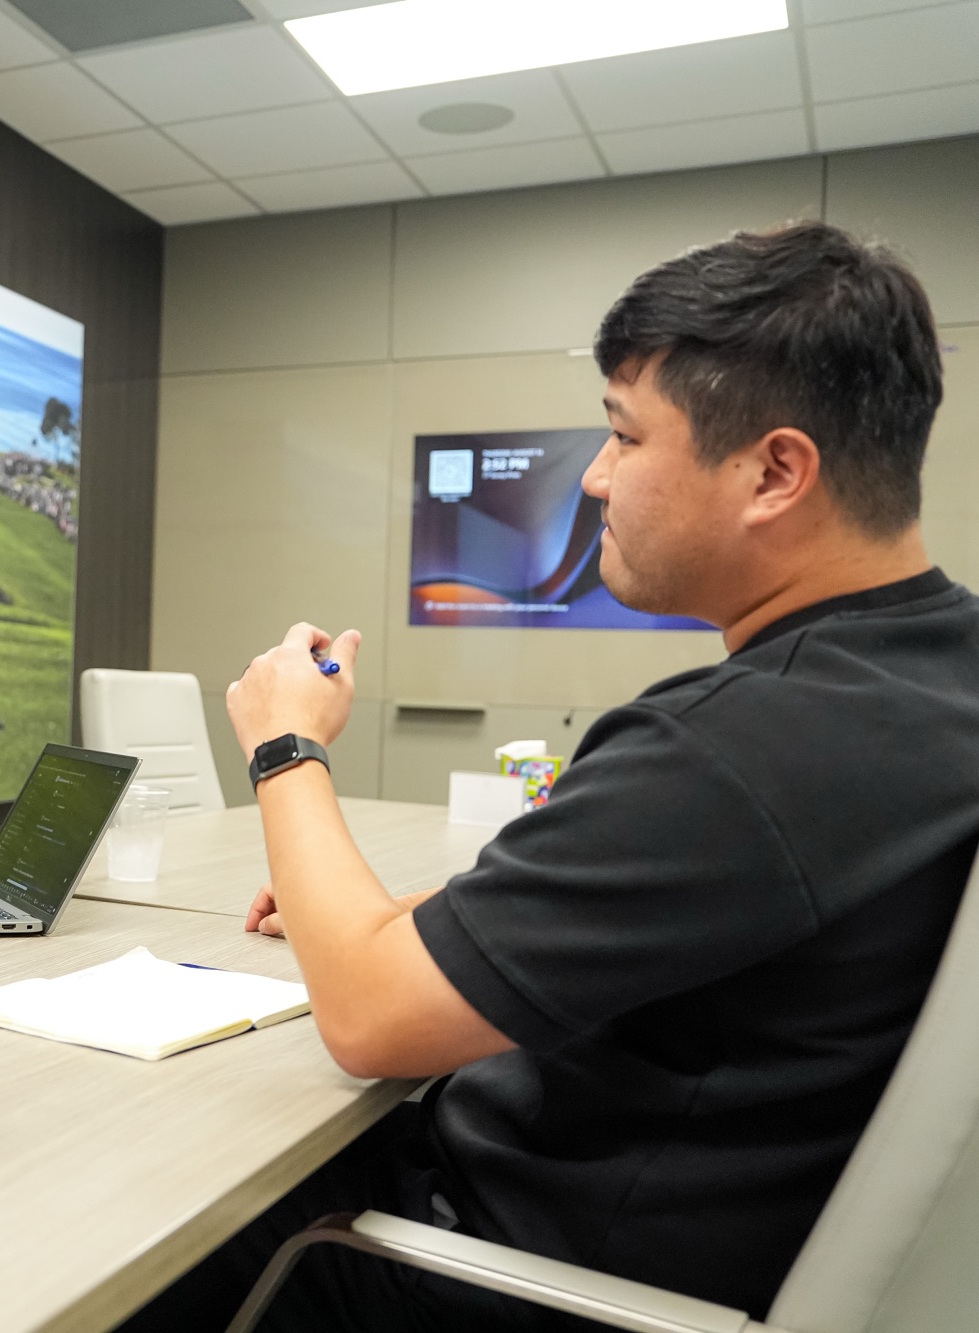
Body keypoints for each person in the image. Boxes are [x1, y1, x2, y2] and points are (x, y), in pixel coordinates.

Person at [128, 222, 973, 1331]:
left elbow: (370, 1023)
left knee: (118, 1217)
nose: (592, 476)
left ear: (773, 470)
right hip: (687, 1237)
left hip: (486, 1272)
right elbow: (728, 911)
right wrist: (408, 921)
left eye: (623, 435)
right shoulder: (923, 681)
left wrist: (286, 746)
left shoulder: (737, 743)